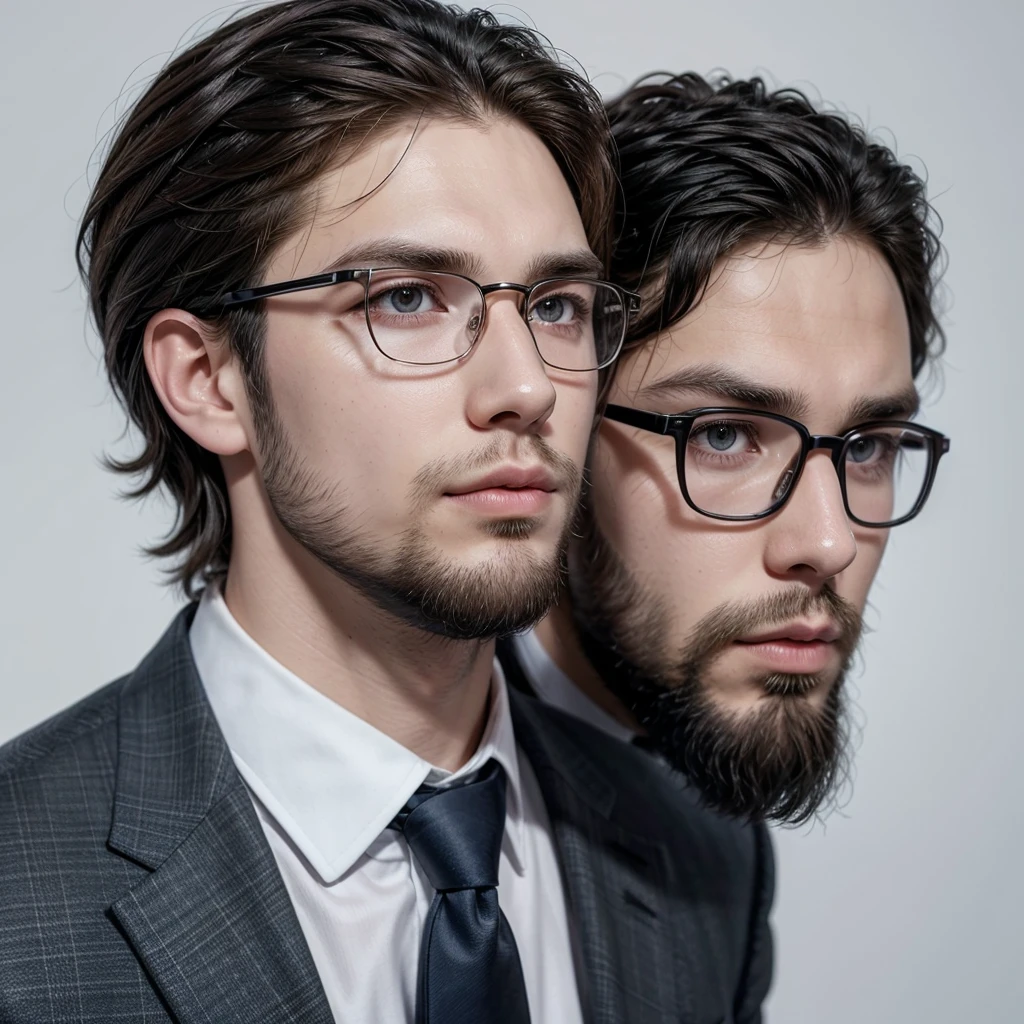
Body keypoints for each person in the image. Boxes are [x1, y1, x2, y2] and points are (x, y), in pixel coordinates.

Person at [0, 10, 771, 1024]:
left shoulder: (699, 851)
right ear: (208, 379)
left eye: (555, 306)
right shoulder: (21, 893)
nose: (527, 388)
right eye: (407, 298)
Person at [501, 72, 949, 826]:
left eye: (868, 446)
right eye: (725, 436)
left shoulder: (717, 856)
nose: (829, 543)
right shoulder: (406, 762)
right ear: (563, 429)